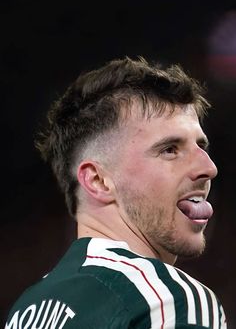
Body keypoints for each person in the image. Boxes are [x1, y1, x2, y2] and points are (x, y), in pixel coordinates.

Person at [5, 56, 227, 328]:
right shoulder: (167, 299)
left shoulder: (27, 311)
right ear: (98, 180)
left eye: (201, 147)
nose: (209, 167)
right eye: (170, 150)